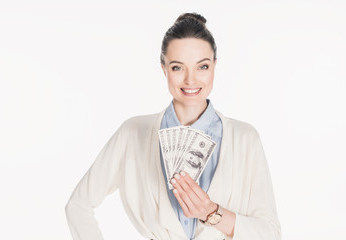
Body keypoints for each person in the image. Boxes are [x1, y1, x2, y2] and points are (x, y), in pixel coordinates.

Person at [65, 12, 281, 240]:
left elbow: (270, 233)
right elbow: (78, 206)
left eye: (202, 67)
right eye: (178, 67)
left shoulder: (244, 138)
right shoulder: (133, 133)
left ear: (214, 66)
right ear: (164, 68)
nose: (191, 80)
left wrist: (210, 212)